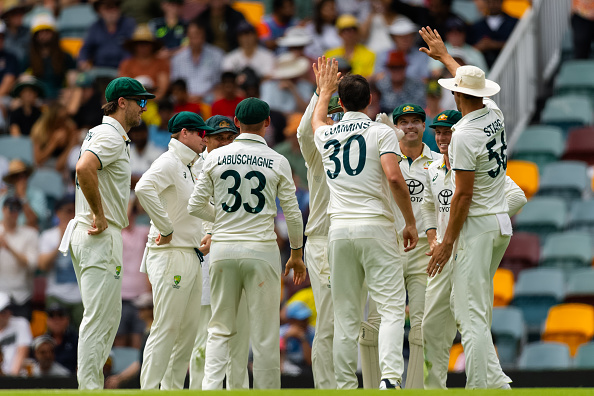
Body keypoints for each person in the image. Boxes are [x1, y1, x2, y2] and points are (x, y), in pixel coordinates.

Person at [311, 57, 418, 389]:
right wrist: (410, 222)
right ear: (371, 100)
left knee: (345, 313)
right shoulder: (381, 132)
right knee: (388, 308)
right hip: (375, 226)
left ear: (340, 103)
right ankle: (388, 379)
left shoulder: (326, 133)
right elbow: (395, 179)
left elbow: (316, 119)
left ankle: (345, 385)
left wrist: (324, 89)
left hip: (339, 230)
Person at [188, 97, 306, 390]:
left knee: (219, 330)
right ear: (267, 123)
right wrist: (296, 252)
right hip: (262, 251)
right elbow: (292, 212)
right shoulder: (278, 160)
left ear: (237, 123)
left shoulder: (215, 157)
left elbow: (195, 205)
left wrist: (225, 218)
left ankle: (211, 390)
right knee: (266, 334)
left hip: (224, 249)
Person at [420, 26, 512, 389]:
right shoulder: (494, 115)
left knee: (470, 315)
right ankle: (498, 381)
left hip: (474, 229)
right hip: (499, 225)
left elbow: (461, 196)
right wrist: (445, 56)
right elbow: (470, 87)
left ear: (457, 93)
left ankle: (477, 386)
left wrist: (446, 243)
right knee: (478, 309)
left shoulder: (462, 136)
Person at [61, 76, 155, 390]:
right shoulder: (110, 135)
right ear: (122, 103)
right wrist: (99, 214)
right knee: (100, 318)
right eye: (139, 101)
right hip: (98, 232)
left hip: (95, 233)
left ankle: (92, 385)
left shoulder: (107, 134)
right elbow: (84, 168)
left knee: (105, 318)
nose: (144, 108)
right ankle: (89, 388)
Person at [421, 109, 526, 389]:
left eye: (448, 131)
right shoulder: (432, 169)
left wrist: (478, 221)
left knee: (470, 315)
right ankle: (435, 388)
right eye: (439, 132)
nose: (442, 137)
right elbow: (428, 207)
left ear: (459, 133)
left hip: (468, 245)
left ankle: (486, 381)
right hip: (443, 252)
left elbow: (517, 196)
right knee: (432, 324)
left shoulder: (477, 168)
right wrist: (433, 237)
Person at [135, 111, 212, 390]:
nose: (205, 138)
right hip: (169, 255)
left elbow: (194, 209)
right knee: (166, 327)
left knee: (187, 333)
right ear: (184, 134)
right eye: (199, 133)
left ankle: (172, 390)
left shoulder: (190, 165)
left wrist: (209, 230)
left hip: (190, 254)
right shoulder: (168, 162)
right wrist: (164, 228)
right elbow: (143, 189)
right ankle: (149, 390)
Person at [188, 115, 249, 390]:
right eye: (218, 138)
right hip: (205, 258)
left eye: (230, 137)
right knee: (204, 336)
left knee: (239, 338)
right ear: (206, 139)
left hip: (238, 253)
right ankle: (202, 390)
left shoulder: (248, 165)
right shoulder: (196, 167)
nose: (225, 143)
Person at [390, 101, 443, 389]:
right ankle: (389, 382)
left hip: (424, 249)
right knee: (390, 320)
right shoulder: (385, 160)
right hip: (390, 247)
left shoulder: (436, 161)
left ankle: (418, 387)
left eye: (415, 121)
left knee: (421, 323)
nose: (409, 126)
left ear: (424, 125)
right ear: (396, 127)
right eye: (403, 122)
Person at [38, 194, 83, 328]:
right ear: (58, 213)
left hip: (81, 297)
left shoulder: (86, 235)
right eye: (68, 210)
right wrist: (61, 241)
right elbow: (42, 266)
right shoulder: (48, 235)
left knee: (83, 340)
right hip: (56, 294)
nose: (73, 214)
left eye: (76, 210)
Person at [116, 197, 151, 349]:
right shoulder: (116, 234)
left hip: (141, 296)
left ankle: (136, 373)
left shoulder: (143, 232)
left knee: (139, 339)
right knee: (120, 338)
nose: (129, 215)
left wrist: (137, 198)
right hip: (120, 296)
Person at [0, 196, 38, 320]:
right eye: (11, 209)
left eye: (17, 210)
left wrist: (8, 247)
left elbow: (31, 264)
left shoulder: (30, 233)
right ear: (4, 209)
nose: (14, 213)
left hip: (22, 296)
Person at [24, 13, 77, 100]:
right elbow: (23, 79)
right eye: (40, 32)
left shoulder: (65, 56)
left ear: (54, 34)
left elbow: (72, 78)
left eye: (47, 31)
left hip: (59, 96)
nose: (44, 35)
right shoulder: (28, 57)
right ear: (35, 36)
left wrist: (69, 91)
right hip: (36, 98)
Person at [170, 20, 224, 104]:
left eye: (198, 33)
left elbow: (220, 85)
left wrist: (203, 97)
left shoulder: (217, 55)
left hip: (210, 102)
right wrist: (186, 97)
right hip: (184, 102)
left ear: (204, 35)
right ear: (187, 35)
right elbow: (175, 86)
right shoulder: (177, 59)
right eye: (192, 34)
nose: (195, 37)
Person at [78, 0, 136, 71]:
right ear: (99, 11)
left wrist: (126, 66)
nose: (112, 11)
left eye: (116, 6)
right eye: (107, 8)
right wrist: (83, 61)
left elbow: (135, 48)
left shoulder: (129, 24)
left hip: (124, 69)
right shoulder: (94, 27)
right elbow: (85, 48)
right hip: (99, 69)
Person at [119, 24, 170, 102]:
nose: (143, 47)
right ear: (134, 46)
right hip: (131, 103)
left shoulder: (161, 63)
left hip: (156, 104)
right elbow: (123, 88)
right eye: (140, 43)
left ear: (152, 45)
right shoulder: (126, 64)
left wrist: (148, 101)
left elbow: (162, 90)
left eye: (146, 43)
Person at [31, 102, 79, 173]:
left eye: (66, 117)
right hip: (43, 168)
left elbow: (59, 165)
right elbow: (38, 160)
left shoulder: (70, 128)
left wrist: (71, 144)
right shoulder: (40, 130)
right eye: (60, 119)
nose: (64, 122)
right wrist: (53, 143)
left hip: (62, 168)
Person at [0, 159, 49, 228]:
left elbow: (33, 221)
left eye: (23, 175)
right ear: (11, 179)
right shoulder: (5, 197)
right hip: (10, 233)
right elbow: (1, 222)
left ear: (27, 176)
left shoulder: (38, 194)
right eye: (16, 176)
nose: (20, 179)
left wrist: (23, 197)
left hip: (29, 233)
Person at [468, 0, 518, 68]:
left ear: (502, 2)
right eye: (489, 2)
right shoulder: (476, 26)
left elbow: (519, 43)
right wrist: (480, 46)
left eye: (496, 1)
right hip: (484, 67)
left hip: (511, 65)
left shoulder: (515, 23)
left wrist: (495, 44)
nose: (492, 5)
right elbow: (469, 47)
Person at [0, 292, 32, 376]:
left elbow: (22, 353)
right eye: (2, 312)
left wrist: (12, 378)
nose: (7, 313)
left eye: (7, 310)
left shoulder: (21, 323)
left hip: (17, 377)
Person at [280, 300, 314, 371]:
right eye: (301, 319)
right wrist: (285, 338)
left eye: (306, 318)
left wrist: (303, 339)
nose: (305, 322)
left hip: (306, 371)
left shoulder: (312, 333)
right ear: (291, 320)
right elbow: (277, 361)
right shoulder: (281, 333)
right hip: (285, 371)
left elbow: (310, 362)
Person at [45, 302, 78, 374]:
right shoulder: (42, 342)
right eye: (51, 316)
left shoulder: (77, 340)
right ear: (47, 320)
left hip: (71, 381)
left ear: (67, 319)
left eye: (60, 315)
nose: (56, 320)